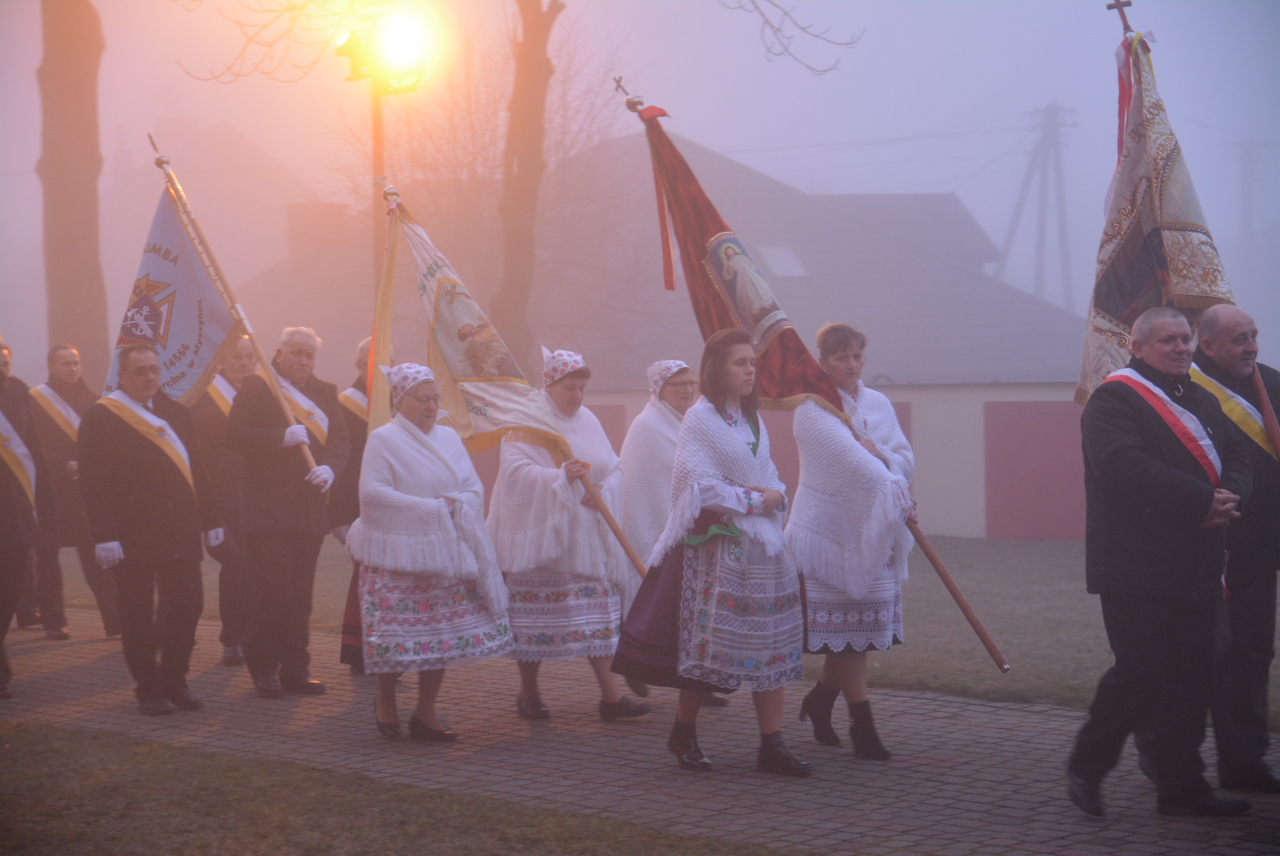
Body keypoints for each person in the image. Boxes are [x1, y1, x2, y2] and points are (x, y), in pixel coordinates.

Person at [1067, 307, 1253, 817]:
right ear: (1138, 347)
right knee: (1140, 674)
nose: (1180, 348)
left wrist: (1230, 495)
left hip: (1198, 561)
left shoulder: (1201, 398)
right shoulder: (1113, 399)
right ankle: (1087, 767)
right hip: (1136, 566)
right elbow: (1121, 466)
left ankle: (1181, 789)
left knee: (1192, 680)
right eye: (1168, 340)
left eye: (1185, 339)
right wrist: (1201, 501)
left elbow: (1238, 453)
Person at [613, 328, 811, 776]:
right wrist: (760, 501)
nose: (750, 370)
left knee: (771, 645)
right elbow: (699, 487)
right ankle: (683, 730)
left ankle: (772, 743)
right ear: (718, 369)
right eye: (740, 363)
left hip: (765, 549)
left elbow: (769, 472)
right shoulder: (700, 419)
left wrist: (776, 493)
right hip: (718, 551)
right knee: (710, 649)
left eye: (752, 363)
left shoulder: (751, 418)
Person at [347, 364, 512, 740]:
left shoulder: (449, 437)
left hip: (444, 555)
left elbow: (473, 488)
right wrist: (431, 510)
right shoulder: (383, 439)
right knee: (395, 636)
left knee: (439, 636)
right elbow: (372, 494)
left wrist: (454, 505)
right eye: (423, 399)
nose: (432, 406)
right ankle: (386, 697)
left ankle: (425, 712)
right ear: (400, 400)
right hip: (398, 556)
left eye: (436, 399)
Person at [486, 348, 649, 723]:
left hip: (587, 542)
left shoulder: (588, 419)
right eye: (570, 388)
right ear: (550, 385)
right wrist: (560, 478)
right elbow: (514, 474)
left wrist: (603, 489)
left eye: (581, 388)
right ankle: (529, 692)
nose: (577, 396)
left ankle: (611, 697)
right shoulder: (526, 421)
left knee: (599, 619)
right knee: (534, 621)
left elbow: (615, 467)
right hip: (544, 542)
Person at [787, 324, 915, 759]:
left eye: (857, 356)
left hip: (872, 534)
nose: (852, 364)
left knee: (854, 633)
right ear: (823, 361)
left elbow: (903, 455)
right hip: (828, 535)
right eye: (842, 357)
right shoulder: (812, 408)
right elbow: (848, 462)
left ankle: (820, 701)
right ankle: (863, 726)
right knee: (845, 632)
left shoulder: (877, 403)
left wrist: (886, 458)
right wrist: (887, 477)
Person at [79, 344, 223, 715]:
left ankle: (175, 679)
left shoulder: (176, 412)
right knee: (137, 614)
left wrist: (212, 518)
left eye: (154, 370)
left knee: (189, 605)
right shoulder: (101, 416)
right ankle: (149, 688)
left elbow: (196, 468)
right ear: (122, 376)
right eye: (140, 371)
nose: (149, 378)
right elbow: (94, 483)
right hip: (132, 534)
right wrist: (104, 535)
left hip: (179, 529)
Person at [225, 327, 350, 699]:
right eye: (297, 352)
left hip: (308, 511)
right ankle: (264, 667)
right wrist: (280, 437)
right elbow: (234, 435)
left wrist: (330, 469)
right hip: (268, 512)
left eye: (310, 355)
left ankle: (296, 669)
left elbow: (341, 440)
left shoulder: (325, 392)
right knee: (271, 593)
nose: (304, 360)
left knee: (300, 597)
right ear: (279, 354)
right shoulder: (257, 386)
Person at [1191, 304, 1280, 793]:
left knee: (1252, 652)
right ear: (1207, 345)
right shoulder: (1182, 390)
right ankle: (1166, 761)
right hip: (1200, 550)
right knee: (1190, 657)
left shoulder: (1270, 383)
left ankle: (1243, 764)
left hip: (1259, 548)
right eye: (1239, 339)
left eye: (1254, 336)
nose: (1252, 348)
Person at [617, 359, 731, 706]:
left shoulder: (687, 423)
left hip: (688, 529)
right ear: (659, 390)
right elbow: (655, 484)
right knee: (667, 610)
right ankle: (638, 666)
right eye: (678, 384)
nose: (687, 390)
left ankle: (698, 685)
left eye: (691, 383)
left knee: (695, 610)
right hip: (656, 530)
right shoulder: (648, 426)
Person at [24, 344, 120, 639]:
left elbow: (103, 443)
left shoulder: (93, 400)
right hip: (51, 493)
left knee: (96, 557)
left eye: (75, 363)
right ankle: (54, 621)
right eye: (65, 364)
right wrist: (61, 465)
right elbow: (31, 445)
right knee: (48, 558)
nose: (72, 369)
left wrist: (89, 467)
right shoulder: (34, 400)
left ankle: (115, 620)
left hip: (85, 493)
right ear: (51, 367)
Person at [190, 335, 257, 667]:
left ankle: (250, 636)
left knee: (253, 570)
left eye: (249, 357)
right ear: (221, 361)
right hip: (220, 500)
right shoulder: (204, 399)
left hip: (257, 498)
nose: (244, 363)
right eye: (236, 357)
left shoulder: (263, 395)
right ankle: (233, 639)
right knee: (236, 564)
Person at [0, 339, 57, 698]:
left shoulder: (19, 392)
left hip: (15, 510)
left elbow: (33, 446)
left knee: (12, 586)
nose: (2, 369)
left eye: (5, 363)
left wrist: (46, 500)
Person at [332, 337, 374, 675]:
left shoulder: (396, 404)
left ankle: (383, 652)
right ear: (360, 365)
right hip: (356, 509)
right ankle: (360, 654)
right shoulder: (346, 404)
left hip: (389, 507)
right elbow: (340, 463)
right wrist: (339, 516)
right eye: (377, 360)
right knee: (366, 579)